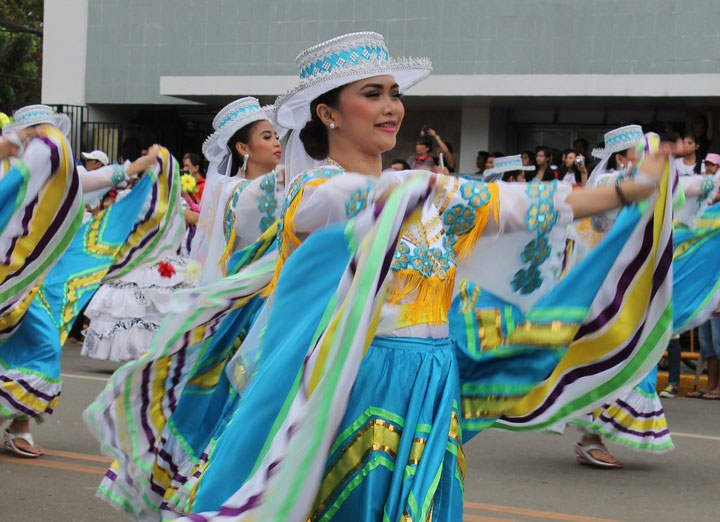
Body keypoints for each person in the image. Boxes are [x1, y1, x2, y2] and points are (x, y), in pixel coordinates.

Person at [86, 32, 670, 521]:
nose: (393, 106)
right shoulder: (317, 193)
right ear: (328, 112)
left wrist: (633, 189)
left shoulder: (427, 193)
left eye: (394, 94)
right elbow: (345, 198)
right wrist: (407, 188)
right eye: (374, 94)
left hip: (433, 382)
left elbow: (528, 207)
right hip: (356, 383)